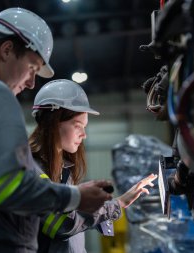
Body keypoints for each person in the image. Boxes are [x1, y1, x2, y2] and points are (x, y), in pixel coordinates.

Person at [0, 7, 114, 253]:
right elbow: (7, 188)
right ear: (7, 50)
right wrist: (76, 197)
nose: (32, 83)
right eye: (32, 68)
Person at [29, 79, 158, 253]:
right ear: (53, 122)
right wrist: (117, 204)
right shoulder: (32, 169)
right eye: (78, 126)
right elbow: (62, 224)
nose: (84, 135)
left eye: (85, 127)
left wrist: (100, 206)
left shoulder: (63, 171)